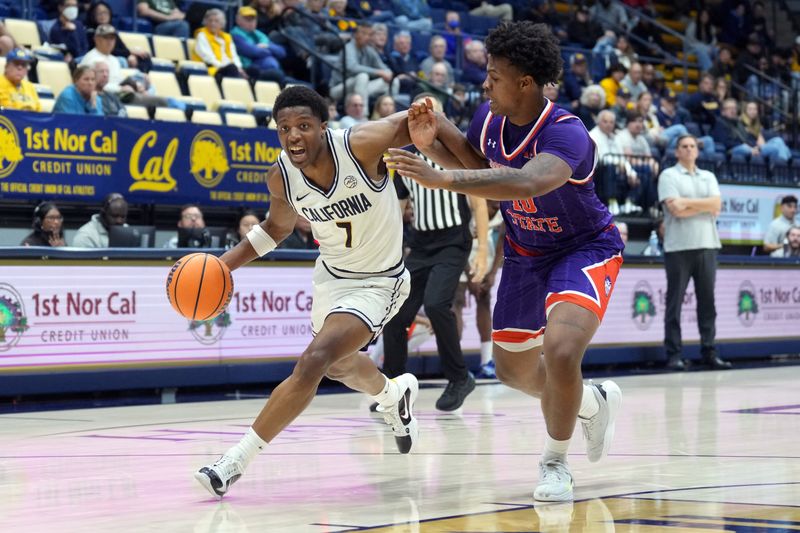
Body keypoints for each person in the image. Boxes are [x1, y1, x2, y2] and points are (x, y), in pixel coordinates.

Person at [384, 21, 624, 502]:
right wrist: (437, 134)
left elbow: (527, 183)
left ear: (525, 83)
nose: (485, 83)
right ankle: (589, 403)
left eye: (493, 76)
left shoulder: (568, 133)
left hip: (584, 248)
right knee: (515, 372)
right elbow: (481, 171)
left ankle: (555, 463)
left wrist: (441, 179)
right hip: (524, 252)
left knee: (559, 352)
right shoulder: (488, 120)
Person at [194, 85, 420, 498]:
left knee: (315, 360)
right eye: (284, 128)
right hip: (332, 277)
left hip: (380, 280)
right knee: (338, 364)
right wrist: (223, 266)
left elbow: (419, 122)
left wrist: (452, 146)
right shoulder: (282, 175)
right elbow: (276, 229)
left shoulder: (360, 146)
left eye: (302, 126)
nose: (293, 135)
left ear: (323, 126)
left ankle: (234, 462)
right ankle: (394, 393)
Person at [382, 94, 488, 413]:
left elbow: (479, 201)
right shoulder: (405, 159)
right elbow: (399, 208)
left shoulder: (454, 155)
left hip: (454, 240)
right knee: (396, 314)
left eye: (431, 111)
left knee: (437, 304)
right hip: (421, 243)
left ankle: (459, 378)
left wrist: (482, 249)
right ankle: (394, 387)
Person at [657, 134, 732, 372]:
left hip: (708, 245)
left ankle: (709, 352)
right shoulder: (668, 175)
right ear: (677, 151)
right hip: (678, 247)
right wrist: (703, 205)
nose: (689, 150)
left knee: (707, 304)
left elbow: (717, 206)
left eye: (692, 146)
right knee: (674, 303)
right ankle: (674, 354)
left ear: (697, 151)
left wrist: (689, 203)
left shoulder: (708, 176)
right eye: (684, 147)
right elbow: (675, 210)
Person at [192, 9, 247, 83]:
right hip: (213, 69)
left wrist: (239, 68)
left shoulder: (227, 37)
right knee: (232, 69)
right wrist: (225, 66)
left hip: (230, 68)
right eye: (210, 20)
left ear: (222, 24)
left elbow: (234, 55)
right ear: (205, 22)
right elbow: (207, 57)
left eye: (216, 21)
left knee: (254, 71)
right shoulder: (202, 35)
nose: (212, 23)